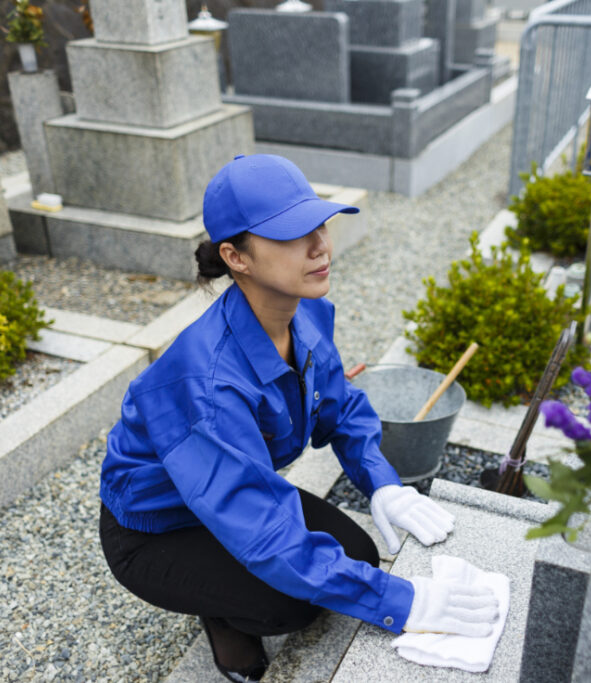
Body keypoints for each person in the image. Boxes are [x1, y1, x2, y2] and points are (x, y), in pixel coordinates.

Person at [98, 154, 498, 682]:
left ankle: (228, 581)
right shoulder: (208, 382)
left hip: (229, 494)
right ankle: (219, 614)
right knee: (292, 605)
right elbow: (264, 533)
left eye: (319, 224)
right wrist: (405, 604)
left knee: (357, 553)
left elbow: (341, 405)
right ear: (235, 257)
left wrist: (383, 485)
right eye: (291, 235)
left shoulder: (303, 311)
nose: (320, 247)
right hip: (158, 529)